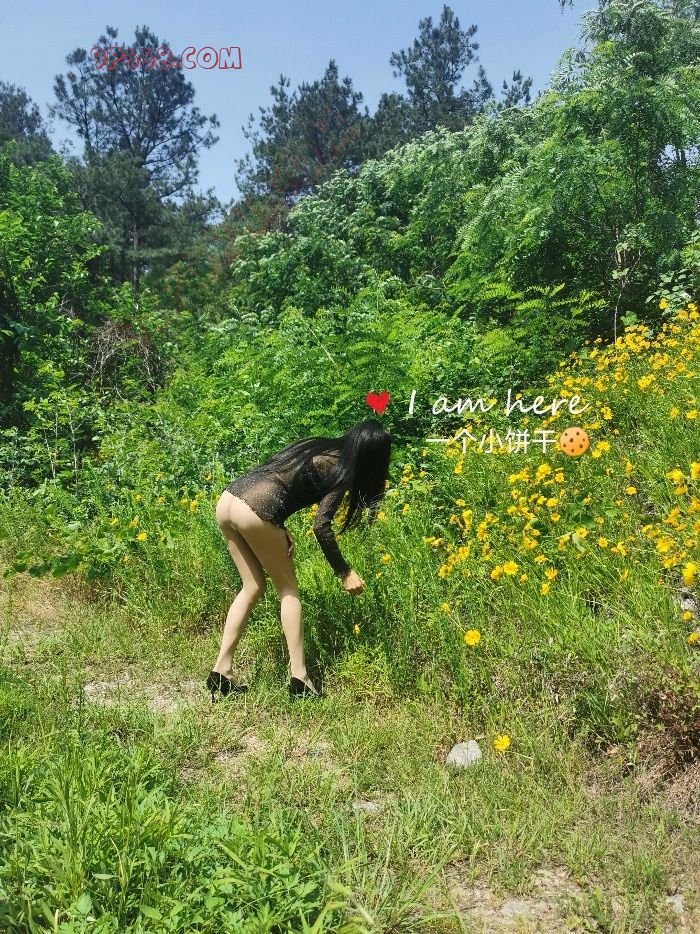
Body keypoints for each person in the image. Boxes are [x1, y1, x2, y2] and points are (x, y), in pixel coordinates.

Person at [208, 418, 392, 702]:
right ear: (374, 455)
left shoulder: (317, 445)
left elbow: (275, 475)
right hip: (257, 509)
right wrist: (344, 571)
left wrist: (277, 525)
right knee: (288, 591)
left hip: (229, 500)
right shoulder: (342, 468)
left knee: (252, 586)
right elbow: (322, 526)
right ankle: (300, 677)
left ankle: (222, 670)